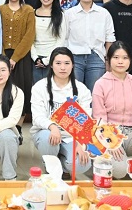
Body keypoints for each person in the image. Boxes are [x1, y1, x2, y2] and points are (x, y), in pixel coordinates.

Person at [92, 41, 132, 179]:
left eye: (125, 58)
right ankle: (105, 158)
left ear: (130, 60)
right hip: (110, 134)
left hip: (131, 133)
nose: (120, 61)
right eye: (116, 57)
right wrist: (110, 141)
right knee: (120, 171)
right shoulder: (100, 84)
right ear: (109, 60)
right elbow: (99, 119)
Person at [30, 47, 92, 177]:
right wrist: (52, 127)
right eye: (58, 63)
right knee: (48, 138)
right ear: (51, 65)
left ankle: (61, 166)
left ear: (73, 65)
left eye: (67, 63)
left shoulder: (82, 89)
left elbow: (86, 121)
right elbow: (37, 117)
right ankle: (51, 166)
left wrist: (82, 144)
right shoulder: (39, 87)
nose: (62, 67)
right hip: (46, 133)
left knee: (82, 164)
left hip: (71, 137)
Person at [63, 0, 115, 92]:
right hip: (74, 57)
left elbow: (109, 38)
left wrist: (108, 60)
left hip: (96, 57)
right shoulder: (69, 14)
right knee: (74, 93)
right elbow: (64, 37)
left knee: (95, 93)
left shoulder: (104, 13)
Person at [0, 0, 35, 142]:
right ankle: (4, 127)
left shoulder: (28, 10)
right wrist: (3, 58)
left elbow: (29, 36)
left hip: (22, 56)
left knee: (21, 91)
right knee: (3, 92)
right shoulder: (0, 9)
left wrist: (14, 58)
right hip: (2, 57)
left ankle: (18, 128)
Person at [31, 0, 65, 83]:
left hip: (53, 58)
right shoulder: (32, 13)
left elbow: (61, 39)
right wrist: (35, 58)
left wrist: (47, 60)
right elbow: (29, 38)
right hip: (34, 59)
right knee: (36, 88)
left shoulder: (60, 15)